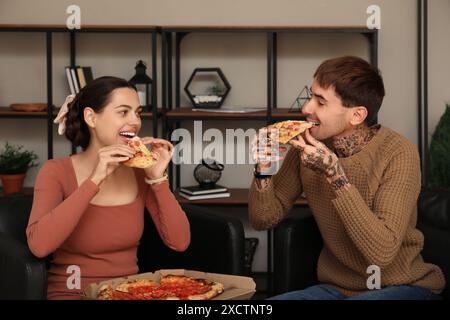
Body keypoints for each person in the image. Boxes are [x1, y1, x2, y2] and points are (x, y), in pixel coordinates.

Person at [249, 56, 445, 300]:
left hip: (400, 286)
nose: (306, 109)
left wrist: (334, 174)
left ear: (357, 115)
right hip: (335, 289)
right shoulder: (308, 146)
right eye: (311, 96)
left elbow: (381, 253)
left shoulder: (398, 152)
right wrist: (263, 170)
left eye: (320, 102)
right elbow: (263, 219)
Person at [26, 76, 190, 300]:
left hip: (129, 293)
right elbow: (39, 246)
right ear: (91, 118)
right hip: (72, 293)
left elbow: (180, 242)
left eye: (138, 112)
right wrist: (95, 179)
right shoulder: (55, 171)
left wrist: (157, 178)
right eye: (123, 112)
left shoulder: (141, 173)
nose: (135, 121)